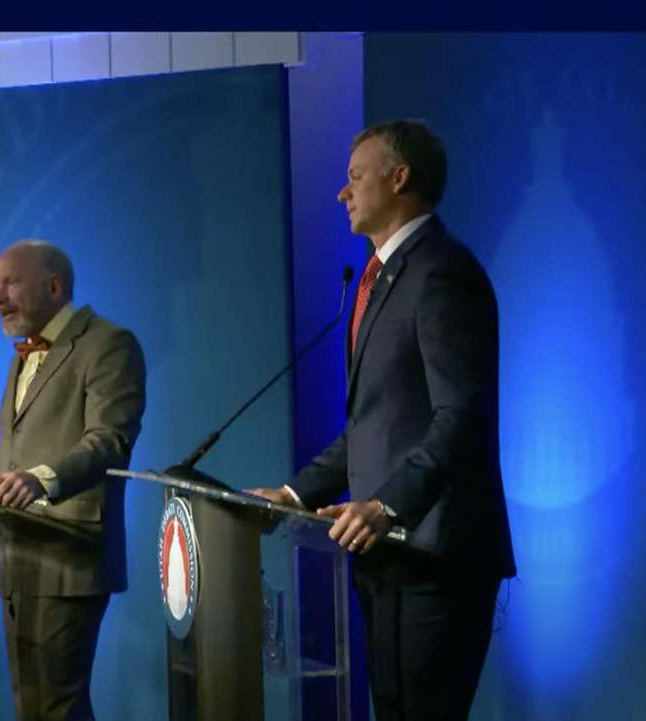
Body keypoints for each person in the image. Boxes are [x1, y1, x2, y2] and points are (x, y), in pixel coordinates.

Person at [250, 120, 515, 721]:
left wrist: (387, 505)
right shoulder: (380, 278)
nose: (342, 194)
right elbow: (371, 427)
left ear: (400, 178)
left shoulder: (443, 272)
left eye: (353, 177)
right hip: (387, 557)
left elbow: (461, 415)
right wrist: (291, 495)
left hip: (436, 554)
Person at [0, 240, 146, 721]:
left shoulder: (109, 344)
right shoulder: (21, 356)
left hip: (70, 557)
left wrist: (42, 479)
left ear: (53, 286)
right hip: (19, 556)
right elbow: (8, 458)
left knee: (57, 707)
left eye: (10, 283)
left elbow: (109, 440)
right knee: (32, 705)